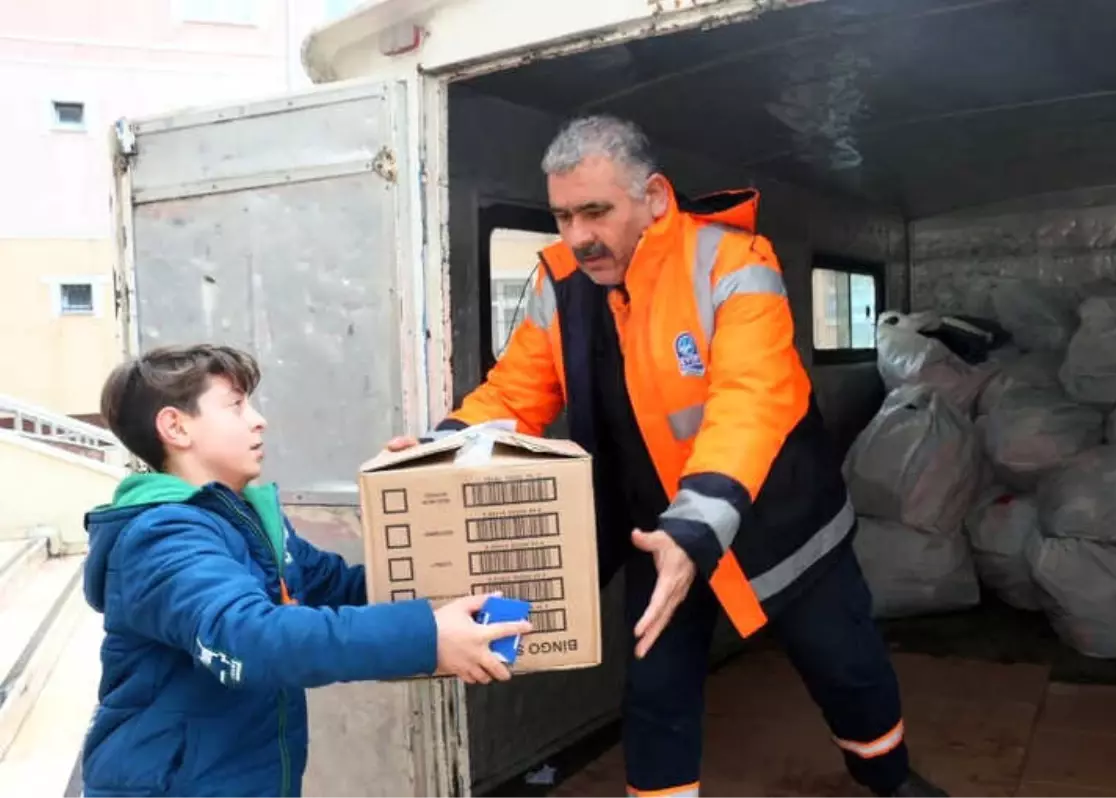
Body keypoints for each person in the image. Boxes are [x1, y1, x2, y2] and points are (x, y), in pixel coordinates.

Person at [389, 116, 947, 798]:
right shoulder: (558, 283)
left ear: (654, 197)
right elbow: (516, 389)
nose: (577, 236)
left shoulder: (734, 261)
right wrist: (440, 449)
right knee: (655, 695)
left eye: (596, 211)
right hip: (660, 536)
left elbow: (751, 397)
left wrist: (697, 523)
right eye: (563, 215)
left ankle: (889, 778)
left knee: (846, 666)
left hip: (780, 525)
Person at [81, 344, 530, 797]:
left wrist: (416, 491)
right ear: (175, 427)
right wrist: (427, 638)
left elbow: (342, 588)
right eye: (236, 406)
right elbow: (248, 638)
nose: (258, 420)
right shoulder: (162, 536)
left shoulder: (246, 520)